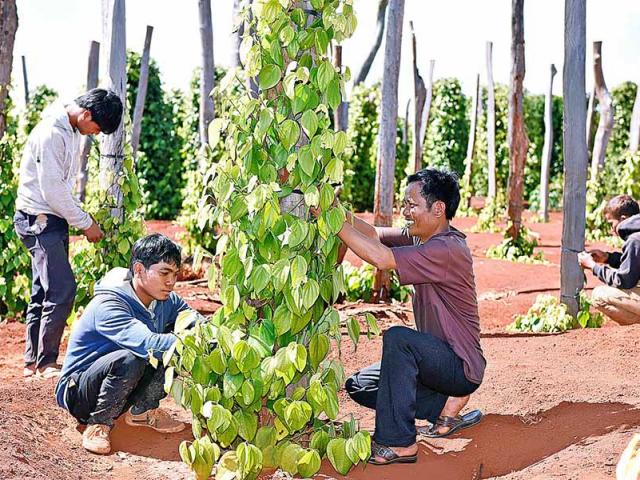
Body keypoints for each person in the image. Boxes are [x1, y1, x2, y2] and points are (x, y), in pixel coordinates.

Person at [326, 168, 485, 465]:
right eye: (404, 204)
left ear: (438, 209)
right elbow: (371, 235)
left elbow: (382, 259)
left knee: (399, 340)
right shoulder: (419, 239)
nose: (405, 211)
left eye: (412, 205)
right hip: (432, 362)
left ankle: (399, 443)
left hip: (458, 365)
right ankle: (443, 405)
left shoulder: (448, 248)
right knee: (360, 385)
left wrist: (332, 223)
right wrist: (333, 208)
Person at [14, 88, 123, 379]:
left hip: (52, 219)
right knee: (62, 289)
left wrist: (77, 214)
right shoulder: (53, 132)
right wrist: (86, 223)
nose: (95, 134)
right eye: (96, 128)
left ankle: (32, 362)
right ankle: (46, 362)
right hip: (38, 220)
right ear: (86, 114)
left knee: (44, 289)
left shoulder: (70, 129)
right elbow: (53, 190)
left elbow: (63, 185)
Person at [55, 234, 194, 455]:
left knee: (178, 338)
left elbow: (196, 322)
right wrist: (196, 344)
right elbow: (149, 344)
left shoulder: (166, 300)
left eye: (175, 274)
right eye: (164, 273)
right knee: (138, 355)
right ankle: (97, 424)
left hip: (121, 382)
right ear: (138, 269)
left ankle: (141, 411)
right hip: (80, 392)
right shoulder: (109, 304)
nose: (171, 281)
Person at [578, 194, 640, 324]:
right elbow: (634, 263)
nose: (612, 229)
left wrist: (593, 267)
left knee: (599, 295)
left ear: (623, 219)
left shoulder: (634, 239)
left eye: (611, 223)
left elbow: (624, 280)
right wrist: (608, 258)